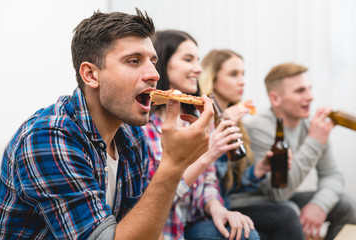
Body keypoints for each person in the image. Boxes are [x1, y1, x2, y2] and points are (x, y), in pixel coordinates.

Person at [0, 10, 215, 240]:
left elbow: (145, 226)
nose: (153, 75)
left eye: (153, 62)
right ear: (91, 75)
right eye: (134, 61)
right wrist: (173, 164)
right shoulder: (48, 138)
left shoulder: (130, 136)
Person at [143, 30, 260, 240]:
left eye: (198, 60)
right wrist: (210, 153)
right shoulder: (144, 125)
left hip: (194, 220)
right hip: (168, 227)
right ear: (162, 63)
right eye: (188, 60)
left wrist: (217, 208)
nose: (198, 69)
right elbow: (155, 201)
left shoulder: (195, 115)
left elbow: (208, 181)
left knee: (246, 229)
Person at [198, 49, 305, 240]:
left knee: (289, 209)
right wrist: (220, 129)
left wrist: (260, 169)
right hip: (206, 210)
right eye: (233, 74)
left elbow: (230, 184)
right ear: (212, 79)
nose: (242, 81)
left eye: (243, 74)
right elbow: (206, 176)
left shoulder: (236, 118)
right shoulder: (201, 119)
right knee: (286, 213)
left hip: (226, 203)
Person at [244, 62, 356, 240]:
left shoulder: (310, 126)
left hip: (283, 199)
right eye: (300, 91)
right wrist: (314, 142)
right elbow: (278, 194)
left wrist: (319, 205)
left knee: (347, 205)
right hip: (255, 203)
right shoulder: (259, 127)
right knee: (289, 211)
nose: (310, 97)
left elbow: (332, 174)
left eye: (309, 89)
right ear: (275, 99)